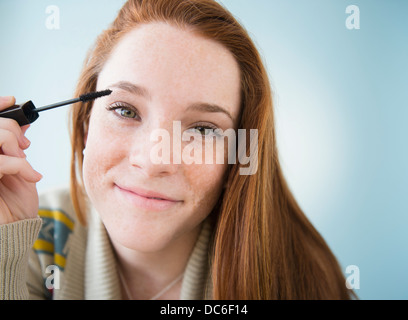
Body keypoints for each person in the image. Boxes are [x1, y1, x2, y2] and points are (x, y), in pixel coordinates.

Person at [0, 0, 356, 300]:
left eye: (202, 129)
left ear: (238, 156)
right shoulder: (29, 236)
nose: (154, 162)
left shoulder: (304, 281)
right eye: (125, 110)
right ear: (84, 123)